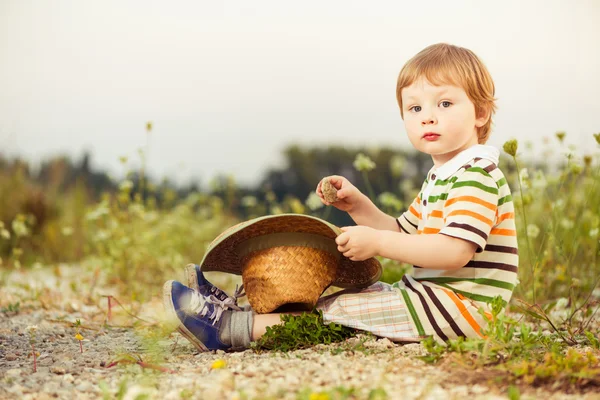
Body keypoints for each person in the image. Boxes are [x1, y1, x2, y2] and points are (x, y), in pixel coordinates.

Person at [162, 42, 519, 350]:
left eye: (444, 104)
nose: (428, 118)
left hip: (466, 310)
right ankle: (241, 313)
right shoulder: (444, 176)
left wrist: (376, 242)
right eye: (415, 108)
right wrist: (358, 206)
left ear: (481, 112)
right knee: (356, 299)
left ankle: (226, 329)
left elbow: (454, 252)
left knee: (341, 311)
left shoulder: (476, 177)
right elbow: (405, 236)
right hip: (436, 300)